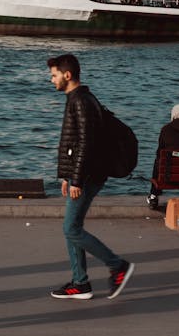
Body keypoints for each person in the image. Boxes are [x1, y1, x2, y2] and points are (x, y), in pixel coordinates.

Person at [47, 53, 134, 300]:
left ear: (67, 75)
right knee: (72, 227)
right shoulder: (76, 99)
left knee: (71, 228)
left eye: (54, 75)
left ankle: (117, 266)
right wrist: (67, 175)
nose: (51, 80)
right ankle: (80, 283)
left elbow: (86, 143)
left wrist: (76, 179)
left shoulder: (81, 101)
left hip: (87, 175)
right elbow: (74, 142)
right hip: (82, 174)